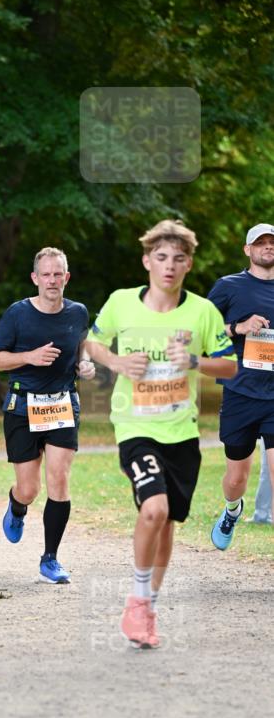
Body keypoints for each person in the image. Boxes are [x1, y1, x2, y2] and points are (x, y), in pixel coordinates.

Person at [85, 220, 236, 649]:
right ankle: (135, 600)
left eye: (179, 259)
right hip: (134, 427)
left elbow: (230, 366)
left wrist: (193, 361)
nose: (170, 266)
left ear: (189, 264)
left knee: (168, 524)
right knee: (153, 509)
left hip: (182, 433)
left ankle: (148, 605)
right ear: (147, 260)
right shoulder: (121, 303)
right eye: (162, 257)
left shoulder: (203, 311)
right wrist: (115, 363)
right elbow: (91, 345)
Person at [0, 247, 95, 584]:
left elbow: (81, 349)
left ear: (67, 277)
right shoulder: (18, 314)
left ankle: (50, 558)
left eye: (57, 273)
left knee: (59, 479)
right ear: (35, 278)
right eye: (46, 274)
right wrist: (29, 357)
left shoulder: (78, 313)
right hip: (22, 405)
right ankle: (17, 508)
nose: (52, 280)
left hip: (63, 402)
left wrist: (85, 363)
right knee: (29, 488)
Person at [207, 222, 274, 547]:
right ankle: (232, 510)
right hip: (240, 392)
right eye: (260, 243)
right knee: (237, 478)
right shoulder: (228, 286)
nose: (268, 247)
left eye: (272, 242)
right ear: (247, 249)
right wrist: (238, 327)